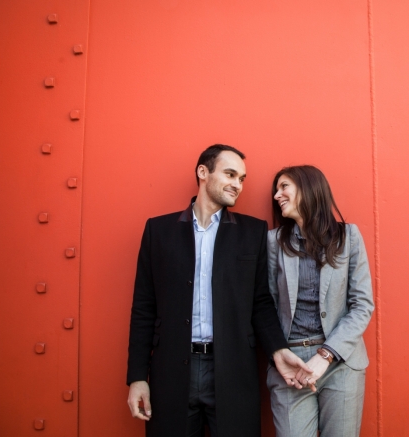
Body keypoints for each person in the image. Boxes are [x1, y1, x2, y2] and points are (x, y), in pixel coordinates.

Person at [126, 144, 312, 437]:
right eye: (230, 174)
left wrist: (278, 351)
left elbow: (261, 302)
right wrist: (138, 377)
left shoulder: (252, 232)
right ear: (203, 172)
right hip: (171, 373)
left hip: (233, 370)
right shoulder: (158, 231)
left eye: (242, 178)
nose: (237, 185)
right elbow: (143, 308)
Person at [266, 165, 375, 437]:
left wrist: (326, 355)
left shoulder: (348, 237)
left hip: (341, 362)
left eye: (284, 186)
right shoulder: (273, 242)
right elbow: (265, 304)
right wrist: (280, 354)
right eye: (276, 189)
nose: (277, 195)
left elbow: (362, 305)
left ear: (308, 188)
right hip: (291, 367)